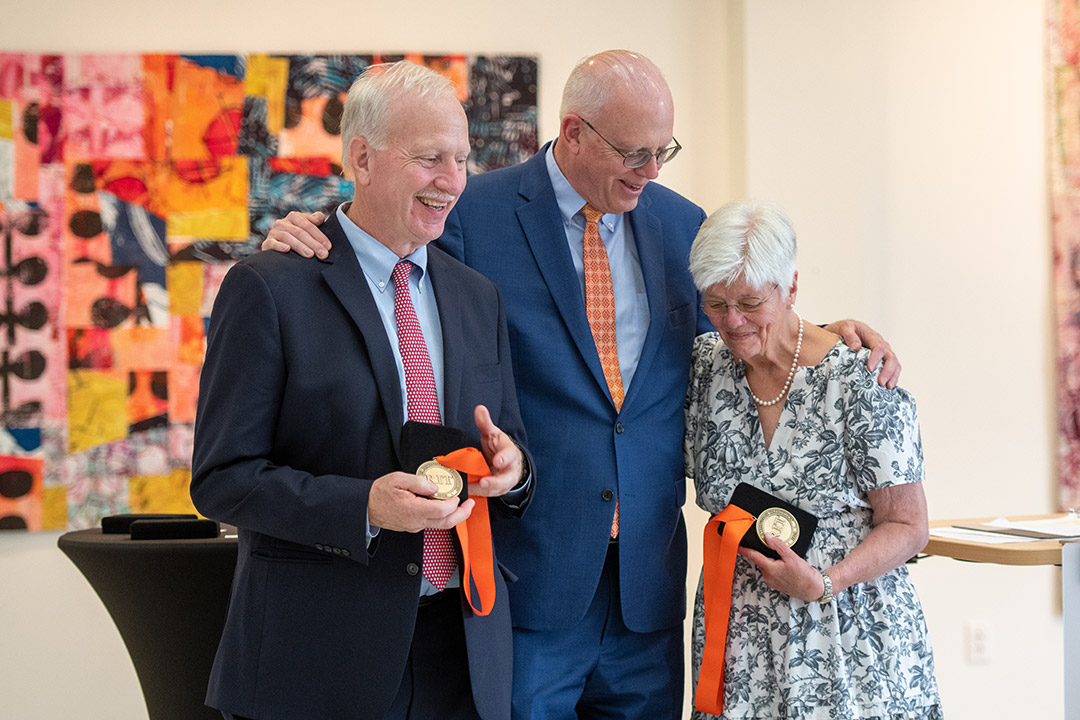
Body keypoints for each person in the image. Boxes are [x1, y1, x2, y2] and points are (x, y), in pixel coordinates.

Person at [262, 50, 900, 720]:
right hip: (531, 581)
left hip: (646, 591)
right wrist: (314, 229)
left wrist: (827, 335)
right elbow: (389, 261)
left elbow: (740, 331)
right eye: (633, 152)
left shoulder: (683, 225)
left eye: (663, 151)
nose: (650, 171)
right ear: (573, 133)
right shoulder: (475, 215)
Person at [190, 61, 533, 720]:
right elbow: (222, 480)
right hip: (317, 663)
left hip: (462, 657)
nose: (452, 181)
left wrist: (512, 469)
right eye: (430, 158)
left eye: (461, 159)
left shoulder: (476, 297)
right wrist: (366, 506)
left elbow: (511, 447)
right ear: (363, 158)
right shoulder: (269, 287)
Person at [683, 200, 940, 719]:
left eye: (750, 302)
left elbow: (910, 526)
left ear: (791, 287)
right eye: (715, 304)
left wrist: (827, 582)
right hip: (741, 646)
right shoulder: (705, 368)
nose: (731, 323)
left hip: (848, 638)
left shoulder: (860, 380)